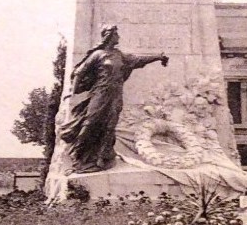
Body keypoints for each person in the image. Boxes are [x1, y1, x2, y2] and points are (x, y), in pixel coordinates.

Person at [59, 25, 168, 173]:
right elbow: (79, 72)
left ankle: (102, 157)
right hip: (100, 93)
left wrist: (158, 57)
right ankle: (77, 154)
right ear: (109, 36)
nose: (119, 37)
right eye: (116, 34)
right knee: (91, 121)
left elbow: (139, 59)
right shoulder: (98, 54)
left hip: (115, 95)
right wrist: (72, 90)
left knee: (110, 126)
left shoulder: (119, 55)